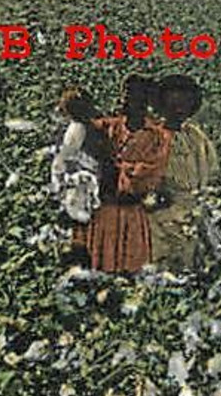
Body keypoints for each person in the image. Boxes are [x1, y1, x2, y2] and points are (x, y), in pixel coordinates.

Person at [74, 75, 172, 274]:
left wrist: (118, 169)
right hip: (105, 210)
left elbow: (152, 173)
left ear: (146, 101)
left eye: (134, 96)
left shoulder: (157, 136)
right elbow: (82, 131)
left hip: (132, 212)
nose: (127, 101)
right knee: (98, 266)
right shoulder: (109, 127)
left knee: (130, 268)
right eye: (125, 95)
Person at [148, 74, 218, 271]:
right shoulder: (153, 137)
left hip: (194, 212)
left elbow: (210, 171)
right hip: (163, 216)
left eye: (184, 103)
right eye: (173, 103)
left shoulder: (196, 137)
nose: (179, 109)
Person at [50, 88, 105, 232]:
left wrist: (58, 179)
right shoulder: (95, 124)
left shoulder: (77, 128)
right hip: (92, 173)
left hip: (80, 175)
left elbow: (65, 156)